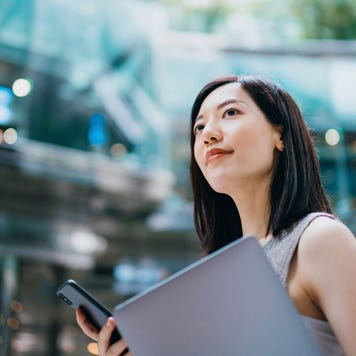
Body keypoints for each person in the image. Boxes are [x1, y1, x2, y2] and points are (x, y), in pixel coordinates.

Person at [76, 74, 356, 355]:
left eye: (230, 112)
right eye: (199, 127)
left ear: (280, 135)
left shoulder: (319, 240)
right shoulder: (219, 276)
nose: (208, 134)